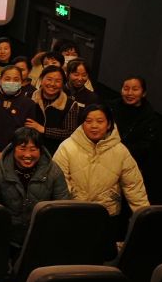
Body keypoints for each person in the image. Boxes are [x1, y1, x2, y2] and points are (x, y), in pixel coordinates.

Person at [53, 103, 149, 250]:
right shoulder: (67, 147)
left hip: (107, 215)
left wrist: (144, 217)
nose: (94, 126)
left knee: (102, 258)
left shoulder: (121, 151)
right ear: (82, 124)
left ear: (109, 124)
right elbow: (59, 182)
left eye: (100, 121)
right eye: (88, 121)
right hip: (74, 214)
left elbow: (134, 186)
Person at [0, 127, 70, 252]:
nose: (28, 155)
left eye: (33, 149)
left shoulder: (53, 171)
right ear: (13, 148)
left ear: (40, 150)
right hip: (6, 239)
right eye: (22, 149)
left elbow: (61, 208)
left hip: (42, 237)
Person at [0, 65, 36, 164]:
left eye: (16, 79)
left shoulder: (29, 104)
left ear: (21, 82)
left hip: (17, 157)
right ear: (0, 80)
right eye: (7, 79)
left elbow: (28, 134)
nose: (11, 82)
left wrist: (12, 154)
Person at [25, 65, 83, 156]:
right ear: (41, 79)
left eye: (58, 81)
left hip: (54, 153)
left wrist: (44, 130)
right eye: (49, 79)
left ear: (63, 83)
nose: (52, 84)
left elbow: (69, 133)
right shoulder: (28, 97)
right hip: (28, 150)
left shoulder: (70, 105)